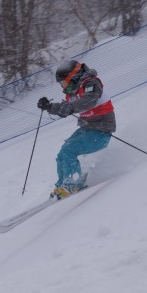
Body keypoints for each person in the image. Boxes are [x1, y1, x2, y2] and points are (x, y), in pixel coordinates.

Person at [37, 59, 116, 199]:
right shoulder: (72, 93)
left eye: (64, 82)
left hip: (101, 130)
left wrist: (72, 107)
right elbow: (65, 108)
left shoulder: (91, 83)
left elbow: (90, 99)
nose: (63, 86)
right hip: (87, 129)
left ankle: (72, 185)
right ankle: (62, 185)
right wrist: (49, 107)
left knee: (69, 151)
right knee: (62, 153)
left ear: (73, 76)